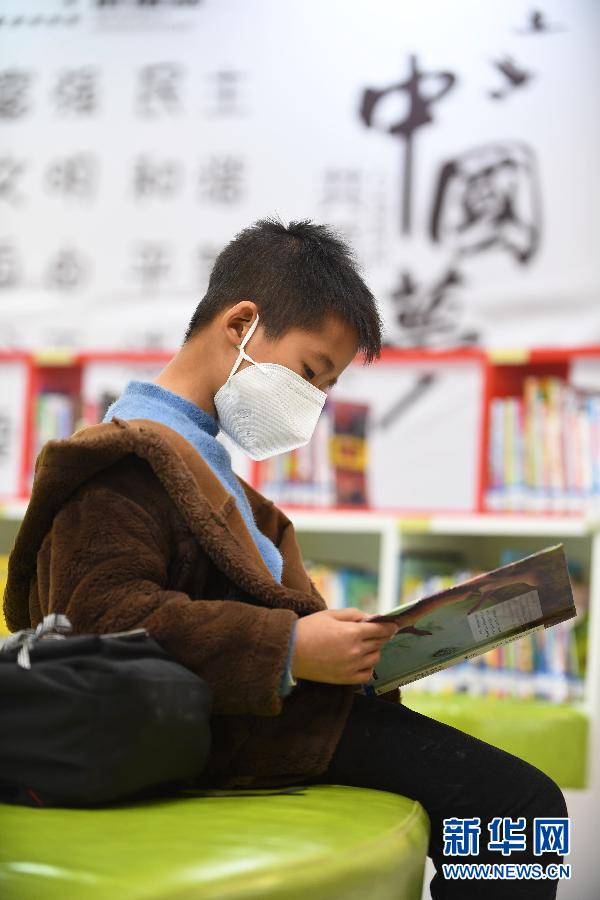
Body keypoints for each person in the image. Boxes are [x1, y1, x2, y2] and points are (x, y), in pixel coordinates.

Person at [3, 218, 568, 898]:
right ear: (241, 324)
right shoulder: (122, 459)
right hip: (234, 736)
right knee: (522, 809)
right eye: (308, 372)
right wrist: (291, 648)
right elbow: (100, 620)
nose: (313, 404)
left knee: (520, 809)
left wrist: (351, 647)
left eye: (325, 386)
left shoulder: (204, 462)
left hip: (272, 722)